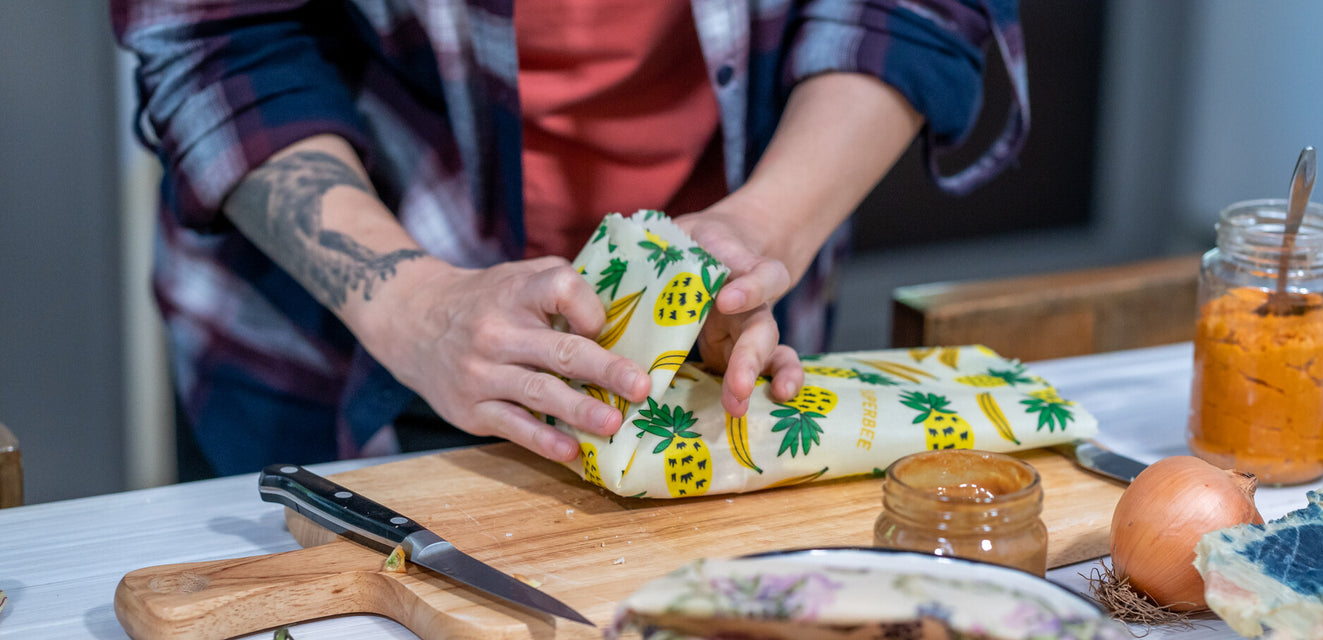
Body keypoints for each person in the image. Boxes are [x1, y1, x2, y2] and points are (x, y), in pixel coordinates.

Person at [111, 0, 1029, 480]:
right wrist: (411, 304)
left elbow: (911, 7)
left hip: (721, 319)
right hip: (321, 338)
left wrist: (757, 230)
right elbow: (218, 36)